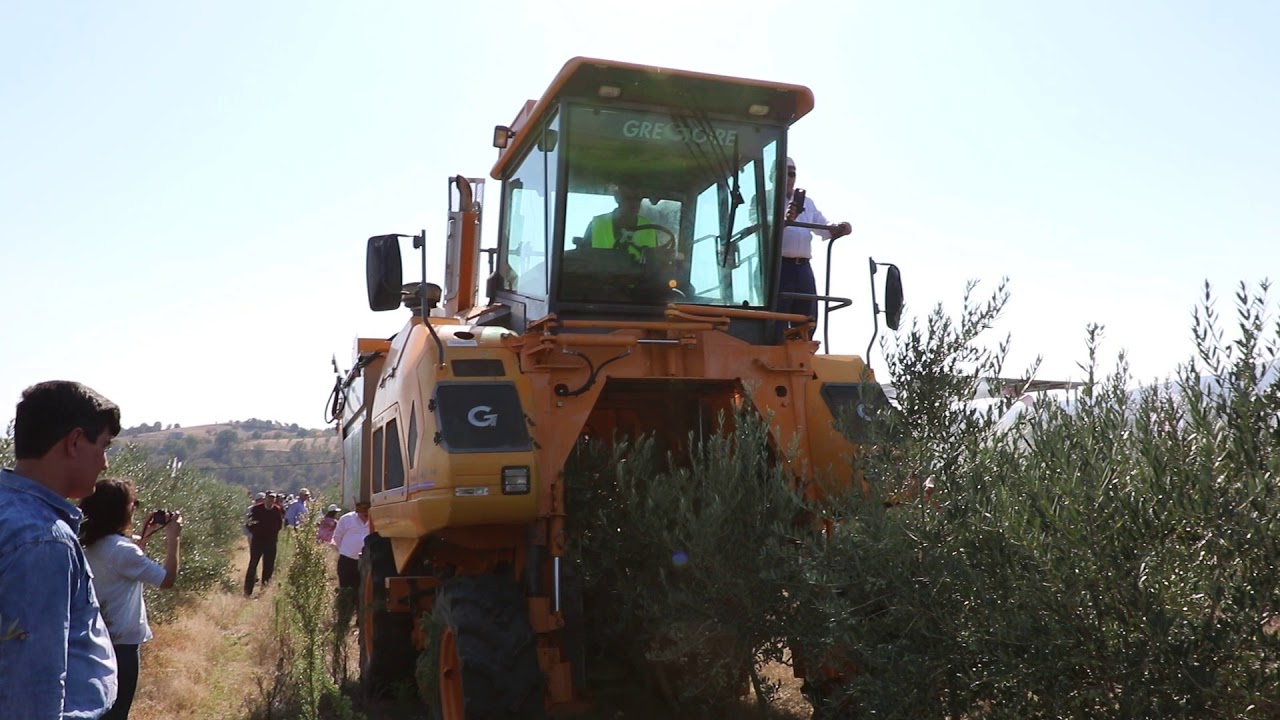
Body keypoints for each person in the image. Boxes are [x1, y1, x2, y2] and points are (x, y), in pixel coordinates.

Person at [0, 380, 121, 718]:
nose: (105, 463)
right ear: (74, 441)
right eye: (104, 446)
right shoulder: (43, 540)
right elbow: (35, 685)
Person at [80, 478, 182, 720]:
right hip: (121, 646)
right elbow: (166, 580)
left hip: (87, 641)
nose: (134, 509)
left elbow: (120, 567)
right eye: (132, 504)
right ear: (120, 511)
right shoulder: (123, 550)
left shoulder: (85, 541)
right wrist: (173, 538)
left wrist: (142, 539)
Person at [777, 157, 851, 334]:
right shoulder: (763, 198)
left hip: (803, 267)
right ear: (774, 175)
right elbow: (759, 228)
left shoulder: (806, 202)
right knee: (776, 317)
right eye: (785, 173)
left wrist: (838, 227)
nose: (789, 177)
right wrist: (785, 221)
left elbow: (822, 223)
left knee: (807, 317)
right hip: (777, 269)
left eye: (792, 173)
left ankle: (804, 349)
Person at [581, 185, 660, 259]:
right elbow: (582, 258)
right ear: (617, 198)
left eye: (637, 199)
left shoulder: (650, 229)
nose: (633, 204)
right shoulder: (597, 225)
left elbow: (657, 262)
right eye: (628, 198)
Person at [244, 491, 285, 596]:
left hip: (271, 541)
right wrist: (256, 532)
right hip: (258, 540)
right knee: (253, 564)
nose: (271, 500)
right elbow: (249, 523)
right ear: (265, 498)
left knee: (269, 565)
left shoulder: (276, 510)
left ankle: (264, 590)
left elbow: (280, 524)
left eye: (273, 498)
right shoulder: (257, 509)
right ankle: (248, 591)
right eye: (269, 498)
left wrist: (272, 532)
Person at [332, 501, 371, 589]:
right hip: (348, 561)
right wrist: (346, 551)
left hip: (368, 562)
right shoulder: (346, 519)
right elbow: (337, 537)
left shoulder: (376, 519)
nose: (364, 511)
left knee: (364, 591)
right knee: (347, 590)